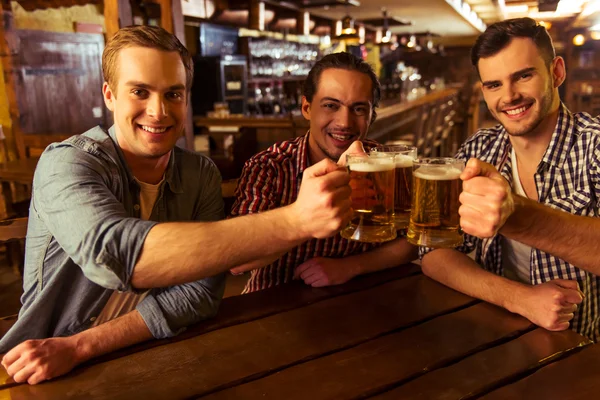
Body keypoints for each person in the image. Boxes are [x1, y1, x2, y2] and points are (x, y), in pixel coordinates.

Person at [0, 26, 354, 384]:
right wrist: (296, 220)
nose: (158, 111)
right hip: (46, 365)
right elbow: (116, 255)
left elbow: (198, 295)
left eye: (173, 94)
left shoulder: (199, 173)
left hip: (152, 353)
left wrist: (84, 346)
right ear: (109, 95)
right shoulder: (67, 162)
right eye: (140, 91)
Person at [421, 17, 600, 340]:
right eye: (494, 85)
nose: (509, 96)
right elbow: (433, 253)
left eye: (524, 76)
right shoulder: (479, 148)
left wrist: (516, 214)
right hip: (500, 342)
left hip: (587, 352)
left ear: (556, 72)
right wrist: (519, 298)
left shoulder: (595, 146)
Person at [231, 52, 417, 293]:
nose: (344, 122)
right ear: (307, 108)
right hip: (276, 305)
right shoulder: (270, 167)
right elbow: (238, 261)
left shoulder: (386, 165)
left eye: (359, 109)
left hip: (362, 301)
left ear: (372, 116)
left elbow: (413, 241)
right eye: (331, 105)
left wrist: (350, 267)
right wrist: (303, 220)